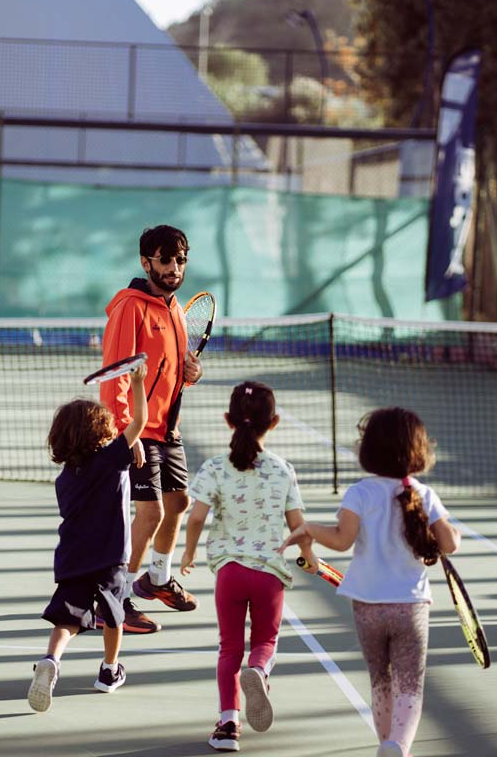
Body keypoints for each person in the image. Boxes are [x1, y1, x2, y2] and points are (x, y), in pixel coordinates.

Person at [280, 408, 461, 757]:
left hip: (366, 605)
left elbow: (341, 540)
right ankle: (398, 747)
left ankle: (384, 745)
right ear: (418, 450)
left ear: (369, 450)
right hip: (410, 606)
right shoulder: (424, 494)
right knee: (410, 684)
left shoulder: (359, 493)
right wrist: (453, 532)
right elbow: (449, 544)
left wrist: (308, 529)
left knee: (381, 679)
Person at [179, 382, 315, 753]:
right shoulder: (283, 470)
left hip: (230, 573)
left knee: (228, 649)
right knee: (265, 642)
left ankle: (228, 725)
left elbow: (195, 518)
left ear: (228, 420)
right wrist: (311, 556)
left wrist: (189, 553)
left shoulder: (214, 468)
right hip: (269, 573)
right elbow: (298, 524)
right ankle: (259, 670)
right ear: (274, 423)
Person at [99, 224, 204, 634]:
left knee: (178, 504)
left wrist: (192, 373)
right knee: (151, 511)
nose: (175, 267)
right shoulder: (131, 307)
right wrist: (126, 432)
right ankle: (117, 598)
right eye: (166, 260)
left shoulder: (175, 308)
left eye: (181, 260)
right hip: (138, 429)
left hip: (168, 428)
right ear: (146, 262)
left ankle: (155, 579)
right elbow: (117, 374)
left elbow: (171, 370)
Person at [28, 362, 149, 712]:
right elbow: (139, 420)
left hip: (73, 555)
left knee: (67, 617)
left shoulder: (64, 479)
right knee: (113, 615)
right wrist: (136, 382)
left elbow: (130, 435)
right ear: (101, 432)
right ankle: (109, 671)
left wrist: (129, 444)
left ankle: (51, 659)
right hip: (110, 555)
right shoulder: (110, 460)